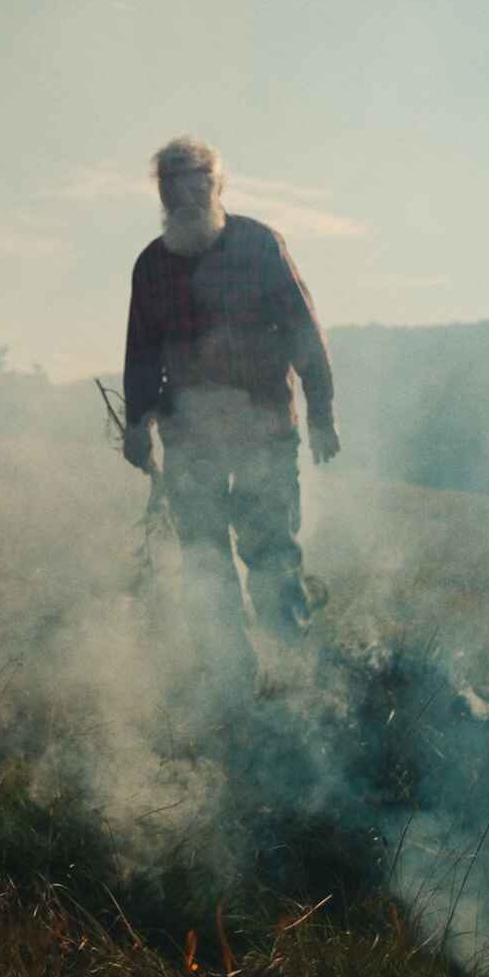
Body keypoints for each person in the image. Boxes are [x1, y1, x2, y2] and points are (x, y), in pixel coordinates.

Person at [121, 135, 339, 689]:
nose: (186, 195)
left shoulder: (259, 245)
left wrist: (322, 413)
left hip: (264, 426)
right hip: (190, 435)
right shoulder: (151, 266)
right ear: (163, 194)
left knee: (270, 553)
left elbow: (302, 330)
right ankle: (230, 684)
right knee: (203, 559)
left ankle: (293, 680)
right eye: (174, 186)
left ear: (217, 186)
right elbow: (142, 351)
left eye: (198, 182)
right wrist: (137, 424)